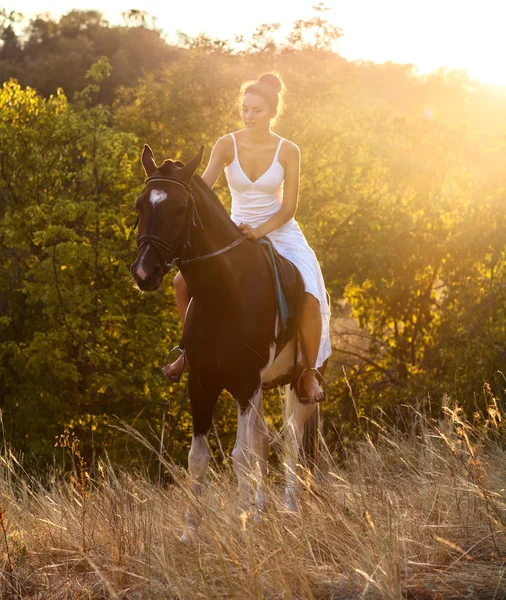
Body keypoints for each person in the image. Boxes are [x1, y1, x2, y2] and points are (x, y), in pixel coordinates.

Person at [162, 72, 331, 404]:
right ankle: (189, 348)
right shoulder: (227, 144)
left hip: (279, 230)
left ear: (271, 112)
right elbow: (204, 190)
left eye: (256, 110)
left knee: (311, 297)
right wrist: (174, 191)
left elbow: (289, 208)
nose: (249, 115)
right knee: (181, 283)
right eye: (245, 109)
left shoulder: (288, 150)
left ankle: (308, 371)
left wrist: (260, 231)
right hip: (234, 230)